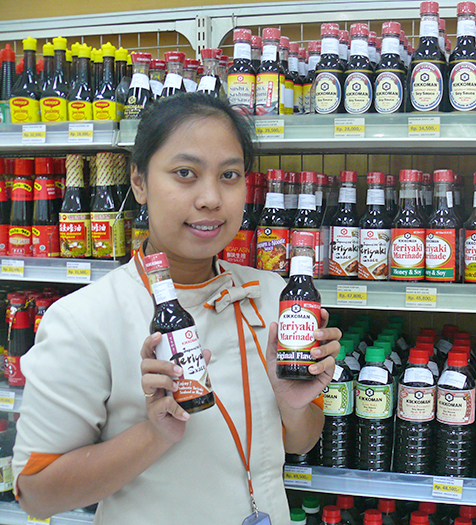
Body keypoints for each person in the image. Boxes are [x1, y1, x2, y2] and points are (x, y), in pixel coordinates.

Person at [12, 92, 341, 525]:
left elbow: (301, 442)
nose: (210, 198)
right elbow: (36, 494)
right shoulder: (85, 318)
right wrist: (155, 432)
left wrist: (294, 404)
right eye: (185, 173)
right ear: (139, 182)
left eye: (229, 175)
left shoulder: (273, 294)